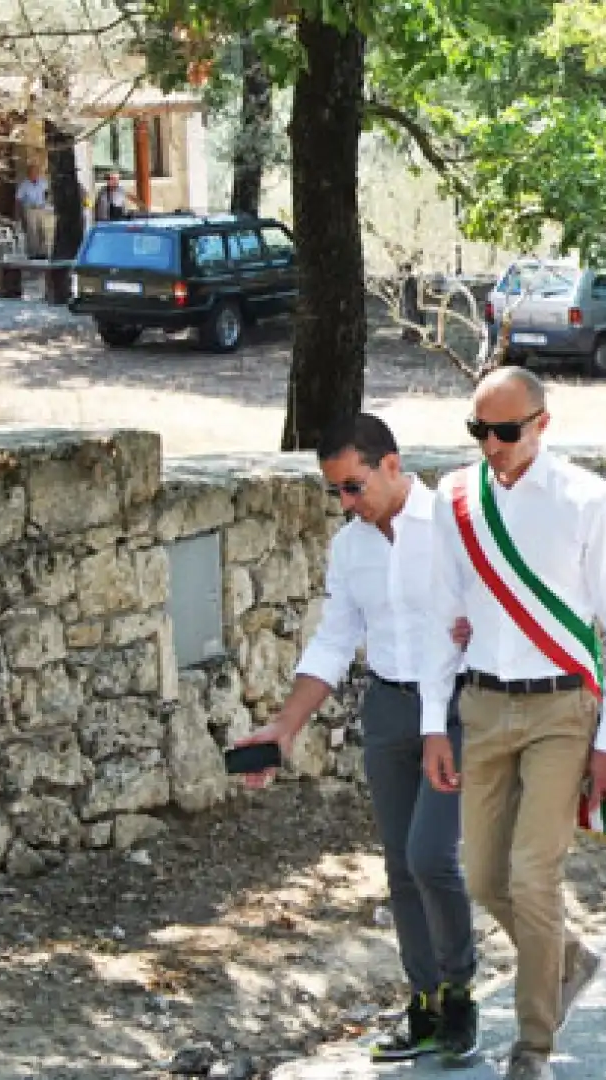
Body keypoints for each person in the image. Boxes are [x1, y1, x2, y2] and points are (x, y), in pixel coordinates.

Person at [419, 368, 606, 1080]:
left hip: (561, 708)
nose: (491, 444)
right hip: (483, 704)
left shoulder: (589, 500)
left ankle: (532, 1046)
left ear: (542, 425)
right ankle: (568, 961)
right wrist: (433, 722)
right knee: (483, 874)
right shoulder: (455, 502)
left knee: (531, 875)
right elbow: (439, 618)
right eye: (479, 430)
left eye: (506, 431)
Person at [232, 414, 480, 1064]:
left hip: (456, 710)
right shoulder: (351, 548)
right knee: (400, 866)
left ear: (392, 465)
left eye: (353, 485)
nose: (346, 502)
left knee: (431, 855)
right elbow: (336, 640)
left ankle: (459, 994)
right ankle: (424, 1007)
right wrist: (285, 727)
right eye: (335, 491)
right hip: (389, 708)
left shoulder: (455, 528)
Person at [14, 161, 51, 258]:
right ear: (29, 173)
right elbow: (18, 199)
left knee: (43, 231)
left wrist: (47, 201)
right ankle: (33, 254)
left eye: (36, 172)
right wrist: (18, 215)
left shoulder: (43, 182)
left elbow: (48, 193)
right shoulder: (24, 184)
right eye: (32, 172)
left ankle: (43, 253)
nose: (34, 174)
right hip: (30, 209)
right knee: (32, 232)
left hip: (41, 208)